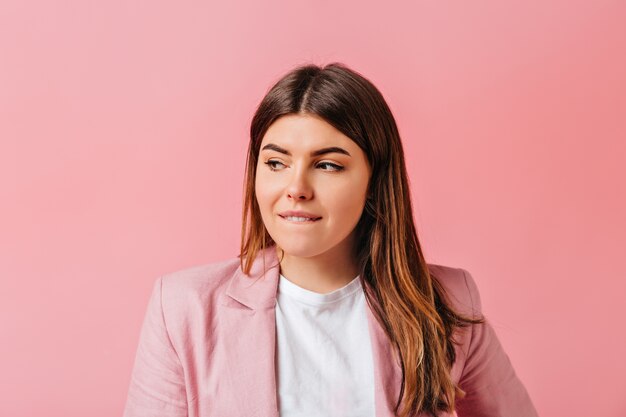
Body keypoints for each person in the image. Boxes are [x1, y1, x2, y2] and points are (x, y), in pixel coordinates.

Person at [122, 63, 539, 417]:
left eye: (326, 165)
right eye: (275, 162)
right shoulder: (182, 308)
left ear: (374, 181)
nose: (296, 187)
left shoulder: (447, 301)